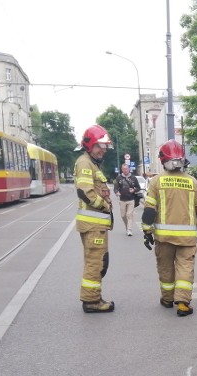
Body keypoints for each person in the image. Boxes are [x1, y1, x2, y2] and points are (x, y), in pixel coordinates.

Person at [141, 140, 197, 317]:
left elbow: (149, 210)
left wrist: (147, 231)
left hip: (163, 239)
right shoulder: (193, 182)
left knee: (165, 268)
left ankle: (167, 299)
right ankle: (183, 304)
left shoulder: (156, 182)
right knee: (185, 268)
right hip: (187, 238)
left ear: (163, 160)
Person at [74, 124, 115, 313]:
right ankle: (91, 301)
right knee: (95, 262)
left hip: (95, 225)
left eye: (105, 147)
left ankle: (94, 297)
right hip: (93, 225)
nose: (103, 151)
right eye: (100, 146)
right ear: (89, 144)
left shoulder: (91, 163)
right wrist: (105, 206)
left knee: (99, 261)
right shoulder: (85, 163)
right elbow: (85, 192)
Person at [113, 163, 139, 236]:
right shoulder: (119, 178)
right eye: (123, 169)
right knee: (123, 215)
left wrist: (134, 190)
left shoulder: (133, 178)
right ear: (122, 169)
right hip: (122, 200)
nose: (125, 170)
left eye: (126, 169)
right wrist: (117, 192)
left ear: (129, 169)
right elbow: (115, 188)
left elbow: (138, 187)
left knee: (129, 215)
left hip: (131, 199)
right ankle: (127, 227)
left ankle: (129, 229)